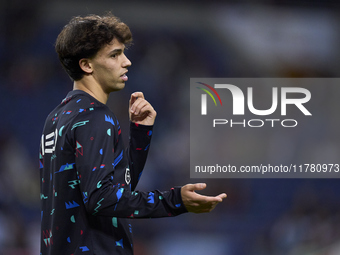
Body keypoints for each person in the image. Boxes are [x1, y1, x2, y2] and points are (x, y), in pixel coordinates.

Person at [39, 13, 227, 255]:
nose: (127, 62)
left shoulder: (55, 119)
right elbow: (101, 198)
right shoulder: (96, 117)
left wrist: (140, 133)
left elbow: (117, 188)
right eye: (115, 55)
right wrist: (175, 200)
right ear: (86, 65)